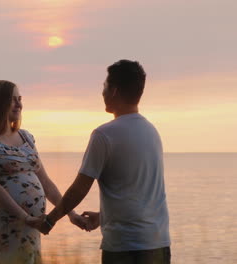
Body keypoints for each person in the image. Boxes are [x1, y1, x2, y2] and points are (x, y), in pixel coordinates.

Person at [28, 60, 171, 264]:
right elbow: (141, 193)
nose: (102, 92)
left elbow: (79, 188)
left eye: (104, 86)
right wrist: (104, 216)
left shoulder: (104, 135)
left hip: (124, 246)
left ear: (113, 91)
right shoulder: (151, 131)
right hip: (158, 243)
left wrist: (50, 220)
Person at [0, 80, 87, 264]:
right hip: (0, 229)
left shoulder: (26, 137)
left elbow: (45, 182)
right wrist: (26, 218)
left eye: (20, 99)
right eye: (13, 100)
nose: (19, 104)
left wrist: (71, 213)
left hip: (29, 230)